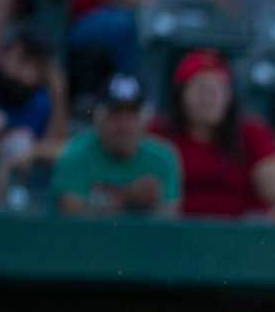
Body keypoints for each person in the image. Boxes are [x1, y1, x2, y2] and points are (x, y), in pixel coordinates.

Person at [149, 49, 275, 223]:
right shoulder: (159, 134)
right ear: (181, 94)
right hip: (176, 239)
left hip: (240, 241)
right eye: (202, 88)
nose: (210, 97)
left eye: (219, 88)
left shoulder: (252, 134)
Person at [0, 25, 64, 202]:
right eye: (23, 61)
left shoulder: (38, 101)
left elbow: (61, 151)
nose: (28, 75)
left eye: (38, 67)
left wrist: (59, 93)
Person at [52, 73, 180, 217]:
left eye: (132, 115)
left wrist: (157, 202)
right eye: (115, 114)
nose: (123, 125)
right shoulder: (76, 154)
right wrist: (128, 196)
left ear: (145, 119)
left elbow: (169, 223)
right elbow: (71, 221)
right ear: (98, 118)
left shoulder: (163, 157)